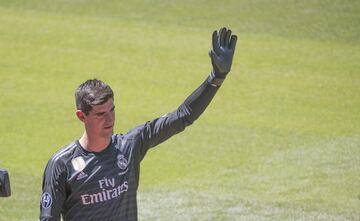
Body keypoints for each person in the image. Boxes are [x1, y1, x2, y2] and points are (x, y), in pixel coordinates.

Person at [39, 27, 237, 221]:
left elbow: (182, 116)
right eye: (100, 114)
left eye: (112, 110)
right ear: (81, 116)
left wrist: (216, 78)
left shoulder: (129, 146)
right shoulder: (62, 164)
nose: (110, 119)